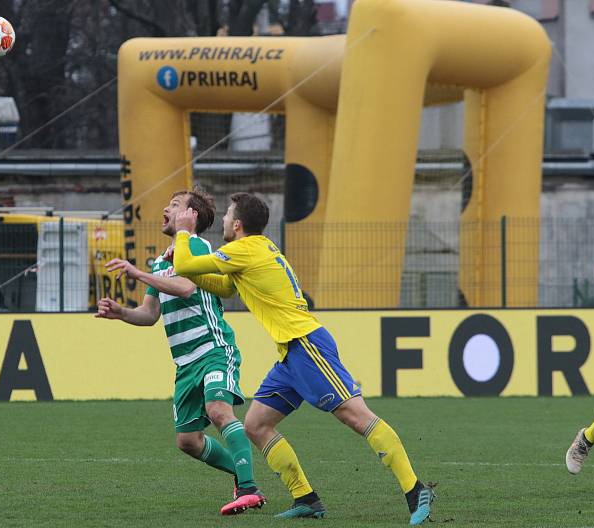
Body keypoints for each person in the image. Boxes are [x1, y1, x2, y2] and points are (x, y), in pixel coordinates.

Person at [172, 192, 435, 524]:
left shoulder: (244, 249)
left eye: (226, 215)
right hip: (290, 353)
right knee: (256, 425)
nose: (222, 220)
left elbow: (184, 264)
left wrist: (183, 233)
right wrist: (185, 264)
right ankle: (306, 499)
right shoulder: (255, 249)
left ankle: (416, 490)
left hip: (307, 345)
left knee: (357, 416)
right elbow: (224, 288)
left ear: (237, 224)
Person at [95, 188, 266, 516]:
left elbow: (188, 286)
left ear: (192, 216)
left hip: (213, 348)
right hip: (185, 363)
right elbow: (149, 314)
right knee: (187, 441)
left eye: (175, 205)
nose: (166, 208)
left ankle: (247, 489)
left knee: (218, 410)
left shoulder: (198, 247)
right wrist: (121, 313)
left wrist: (138, 273)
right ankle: (243, 475)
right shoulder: (160, 262)